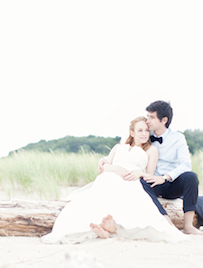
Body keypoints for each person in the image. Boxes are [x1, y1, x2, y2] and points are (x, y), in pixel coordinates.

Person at [42, 116, 188, 244]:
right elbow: (105, 167)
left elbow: (150, 175)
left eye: (146, 130)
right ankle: (102, 228)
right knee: (97, 197)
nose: (144, 134)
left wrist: (139, 173)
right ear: (132, 132)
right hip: (110, 176)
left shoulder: (151, 150)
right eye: (140, 130)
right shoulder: (118, 147)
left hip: (131, 179)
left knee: (124, 196)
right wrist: (116, 169)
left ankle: (112, 227)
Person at [138, 100, 203, 235]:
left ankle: (188, 226)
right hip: (153, 182)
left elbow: (186, 164)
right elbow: (127, 148)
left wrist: (165, 177)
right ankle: (166, 222)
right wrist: (105, 160)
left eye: (152, 117)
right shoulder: (145, 135)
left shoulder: (178, 138)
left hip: (172, 182)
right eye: (147, 116)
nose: (147, 120)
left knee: (191, 176)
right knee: (142, 183)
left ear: (164, 120)